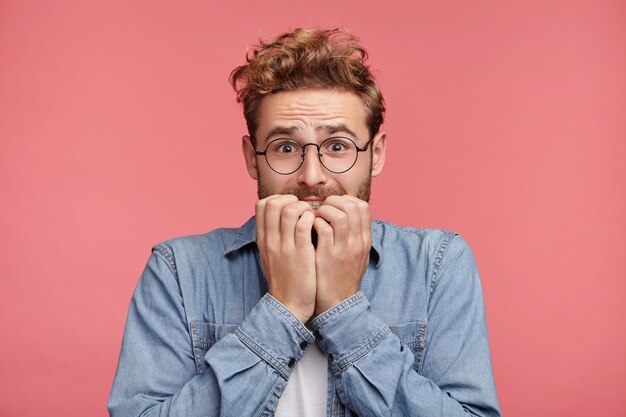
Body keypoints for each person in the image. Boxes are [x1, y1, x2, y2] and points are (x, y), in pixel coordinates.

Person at [108, 28, 501, 417]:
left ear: (376, 154)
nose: (312, 175)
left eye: (337, 146)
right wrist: (283, 308)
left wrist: (344, 309)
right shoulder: (178, 270)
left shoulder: (438, 263)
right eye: (285, 147)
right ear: (252, 157)